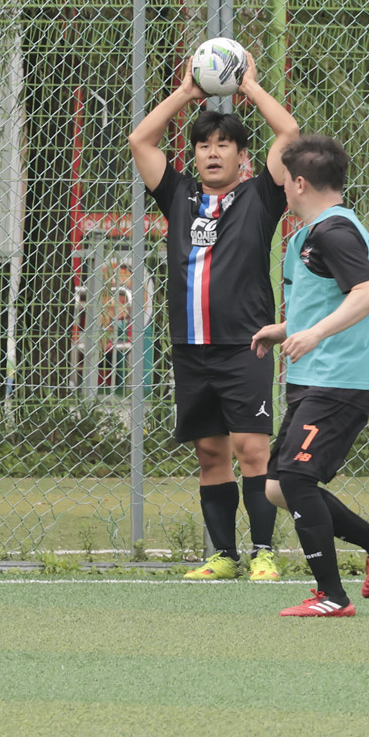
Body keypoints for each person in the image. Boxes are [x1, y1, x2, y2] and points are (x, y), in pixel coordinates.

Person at [128, 51, 300, 581]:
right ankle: (223, 555)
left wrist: (249, 88)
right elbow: (140, 141)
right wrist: (186, 93)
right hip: (191, 347)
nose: (212, 153)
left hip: (245, 345)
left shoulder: (260, 197)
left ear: (243, 158)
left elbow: (289, 133)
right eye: (204, 145)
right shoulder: (178, 195)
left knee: (252, 449)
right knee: (209, 453)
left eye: (224, 145)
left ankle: (264, 552)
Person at [250, 135, 369, 616]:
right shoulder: (314, 232)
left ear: (299, 183)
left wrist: (314, 334)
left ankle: (332, 596)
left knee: (296, 479)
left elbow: (368, 293)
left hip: (339, 379)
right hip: (314, 376)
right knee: (278, 487)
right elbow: (330, 299)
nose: (280, 187)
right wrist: (286, 330)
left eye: (283, 180)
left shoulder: (334, 232)